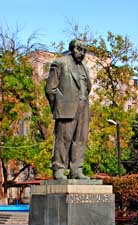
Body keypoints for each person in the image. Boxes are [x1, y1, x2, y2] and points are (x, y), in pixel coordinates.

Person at [45, 39, 92, 180]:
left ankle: (77, 169)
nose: (82, 53)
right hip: (66, 108)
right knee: (63, 139)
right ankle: (59, 168)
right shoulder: (60, 63)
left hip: (83, 108)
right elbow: (50, 89)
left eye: (84, 50)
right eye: (79, 49)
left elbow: (87, 88)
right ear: (72, 49)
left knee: (80, 140)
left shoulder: (85, 68)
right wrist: (59, 107)